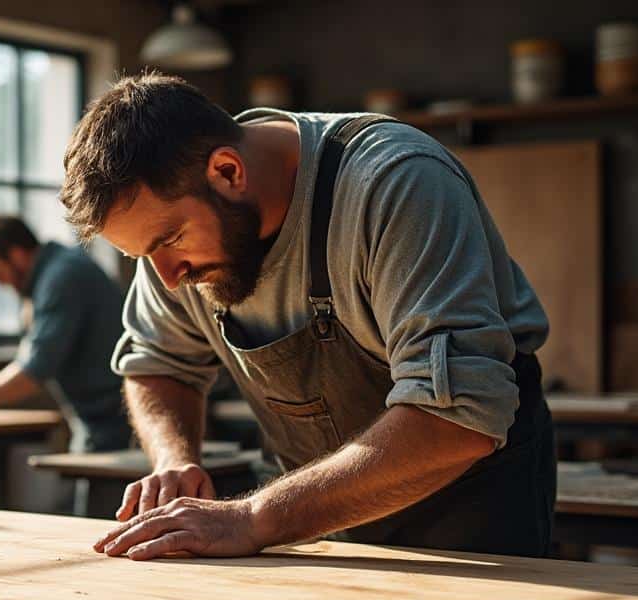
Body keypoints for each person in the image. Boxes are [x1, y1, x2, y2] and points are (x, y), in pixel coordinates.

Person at [57, 73, 554, 560]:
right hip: (307, 519)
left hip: (467, 513)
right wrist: (174, 460)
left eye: (168, 240)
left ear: (228, 171)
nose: (167, 277)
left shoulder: (394, 181)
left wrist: (253, 518)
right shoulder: (174, 239)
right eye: (143, 255)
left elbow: (457, 419)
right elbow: (157, 361)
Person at [0, 214, 131, 458]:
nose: (0, 282)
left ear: (16, 255)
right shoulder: (60, 268)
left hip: (114, 423)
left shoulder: (61, 279)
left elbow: (32, 371)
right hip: (105, 419)